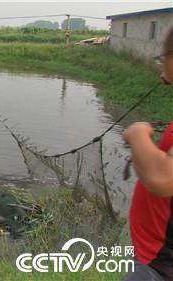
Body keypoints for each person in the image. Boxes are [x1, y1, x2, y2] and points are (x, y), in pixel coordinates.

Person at [122, 27, 173, 281]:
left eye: (163, 57)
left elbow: (163, 179)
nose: (162, 66)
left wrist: (138, 133)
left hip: (160, 265)